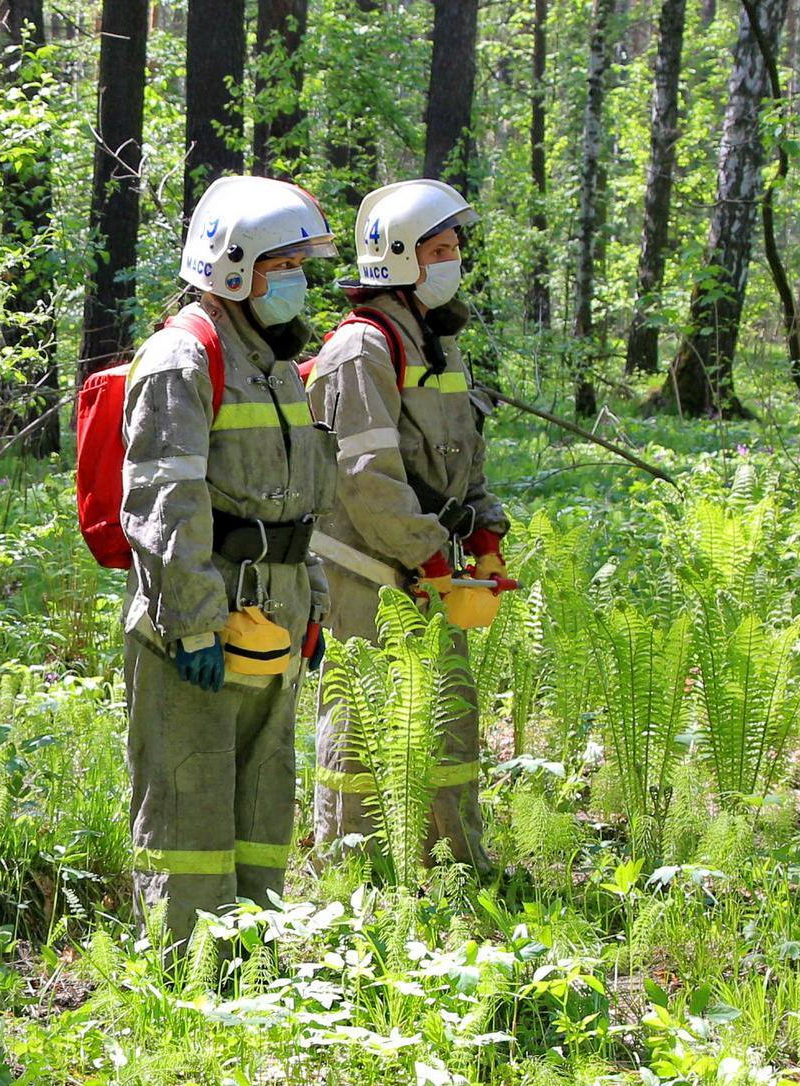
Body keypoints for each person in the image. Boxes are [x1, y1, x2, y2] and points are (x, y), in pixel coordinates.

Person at [113, 175, 341, 947]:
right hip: (198, 625)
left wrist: (311, 607)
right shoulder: (181, 358)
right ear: (234, 268)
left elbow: (303, 500)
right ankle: (182, 983)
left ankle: (254, 965)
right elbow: (161, 502)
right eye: (286, 265)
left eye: (301, 265)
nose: (298, 282)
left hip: (276, 619)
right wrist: (195, 623)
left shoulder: (278, 364)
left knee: (262, 805)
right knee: (189, 806)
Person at [306, 177, 505, 870]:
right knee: (361, 715)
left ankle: (454, 865)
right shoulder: (361, 349)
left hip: (430, 563)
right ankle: (351, 871)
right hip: (365, 565)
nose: (454, 260)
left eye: (455, 247)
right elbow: (366, 480)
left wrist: (483, 534)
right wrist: (429, 558)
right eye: (440, 248)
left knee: (448, 711)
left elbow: (465, 454)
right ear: (398, 256)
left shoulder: (441, 343)